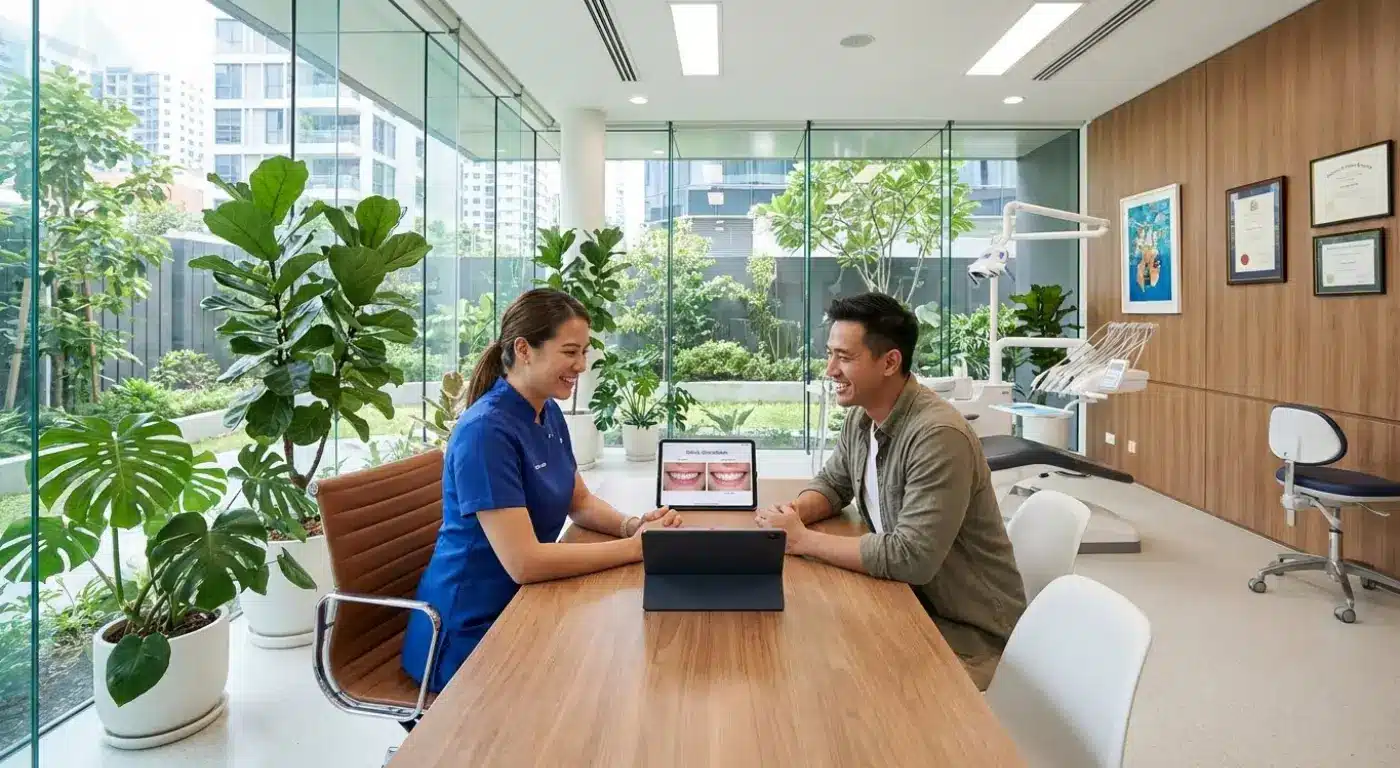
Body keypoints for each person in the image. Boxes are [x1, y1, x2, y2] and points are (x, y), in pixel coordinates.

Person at [401, 288, 682, 707]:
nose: (581, 365)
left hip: (526, 606)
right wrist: (635, 549)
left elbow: (580, 502)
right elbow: (525, 563)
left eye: (584, 352)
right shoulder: (486, 433)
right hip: (470, 632)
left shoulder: (546, 410)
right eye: (570, 351)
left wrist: (633, 525)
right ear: (524, 349)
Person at [755, 292, 1025, 690]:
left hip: (967, 635)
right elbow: (833, 484)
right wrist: (791, 516)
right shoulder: (863, 417)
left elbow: (911, 557)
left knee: (837, 690)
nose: (831, 370)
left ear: (890, 362)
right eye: (830, 355)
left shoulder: (937, 436)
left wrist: (802, 540)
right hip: (907, 601)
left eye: (844, 358)